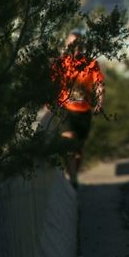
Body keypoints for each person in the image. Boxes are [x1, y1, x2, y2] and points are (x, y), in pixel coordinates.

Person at [53, 31, 105, 188]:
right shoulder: (60, 63)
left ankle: (72, 174)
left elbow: (99, 84)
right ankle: (73, 179)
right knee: (68, 142)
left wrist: (100, 102)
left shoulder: (91, 64)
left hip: (83, 111)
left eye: (78, 43)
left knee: (78, 150)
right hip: (65, 109)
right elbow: (51, 84)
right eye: (72, 44)